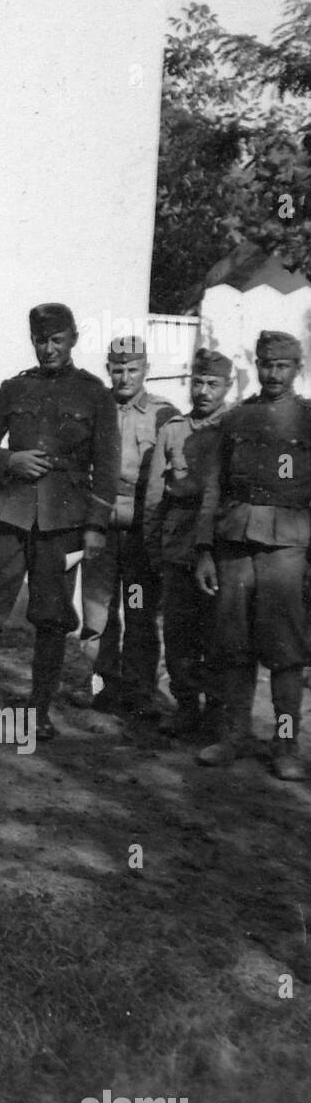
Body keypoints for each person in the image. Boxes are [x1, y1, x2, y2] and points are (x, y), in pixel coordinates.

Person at [0, 303, 119, 741]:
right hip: (9, 513)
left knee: (52, 617)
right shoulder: (14, 389)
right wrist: (9, 460)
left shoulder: (95, 394)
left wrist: (96, 526)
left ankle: (39, 709)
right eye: (40, 341)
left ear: (72, 339)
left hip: (64, 521)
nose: (48, 349)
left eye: (56, 341)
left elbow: (106, 466)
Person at [194, 330, 310, 780]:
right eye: (267, 365)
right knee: (232, 646)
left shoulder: (306, 419)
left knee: (285, 653)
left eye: (282, 366)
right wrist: (204, 548)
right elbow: (213, 488)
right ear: (256, 366)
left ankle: (286, 745)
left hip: (288, 547)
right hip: (234, 543)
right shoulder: (236, 420)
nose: (274, 374)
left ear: (297, 368)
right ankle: (233, 734)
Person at [80, 336, 177, 718]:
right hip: (100, 529)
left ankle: (139, 691)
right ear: (108, 370)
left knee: (138, 611)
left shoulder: (163, 414)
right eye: (117, 370)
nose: (124, 378)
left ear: (146, 370)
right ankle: (102, 688)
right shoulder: (94, 408)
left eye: (133, 369)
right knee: (98, 614)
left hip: (139, 533)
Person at [142, 348, 233, 741]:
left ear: (228, 386)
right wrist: (151, 547)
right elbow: (154, 495)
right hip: (178, 541)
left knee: (217, 634)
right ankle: (185, 708)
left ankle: (217, 714)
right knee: (178, 633)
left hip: (220, 545)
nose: (203, 390)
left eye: (213, 384)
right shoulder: (173, 429)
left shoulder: (235, 428)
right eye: (198, 381)